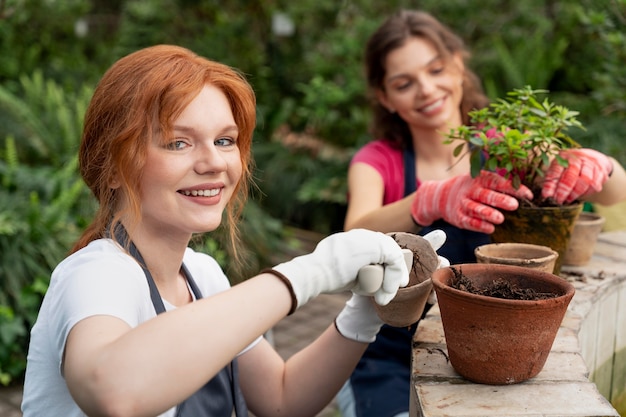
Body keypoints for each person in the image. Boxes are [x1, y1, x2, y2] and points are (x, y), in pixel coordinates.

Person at [20, 44, 450, 417]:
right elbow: (113, 392)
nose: (213, 162)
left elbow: (281, 398)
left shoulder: (202, 275)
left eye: (225, 140)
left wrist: (363, 314)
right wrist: (311, 272)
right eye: (178, 142)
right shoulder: (97, 274)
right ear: (114, 167)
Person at [338, 9, 626, 417]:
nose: (426, 89)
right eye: (404, 83)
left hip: (496, 352)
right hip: (389, 361)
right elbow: (354, 232)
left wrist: (600, 165)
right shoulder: (377, 161)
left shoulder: (506, 145)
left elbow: (616, 192)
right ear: (385, 97)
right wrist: (427, 201)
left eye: (436, 69)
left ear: (458, 64)